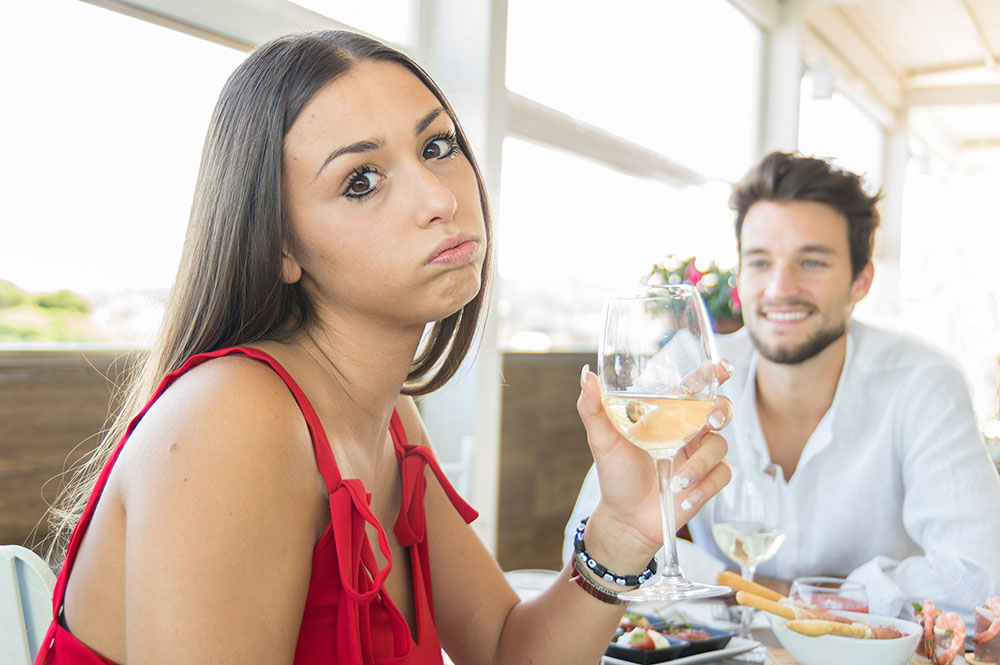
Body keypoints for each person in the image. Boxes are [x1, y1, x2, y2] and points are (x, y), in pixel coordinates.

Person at [34, 30, 733, 665]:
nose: (439, 199)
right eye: (360, 181)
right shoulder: (230, 419)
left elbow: (503, 652)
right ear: (279, 247)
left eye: (437, 147)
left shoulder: (391, 417)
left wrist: (619, 534)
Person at [566, 151, 1000, 625]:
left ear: (860, 281)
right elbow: (581, 555)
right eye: (760, 262)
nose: (779, 288)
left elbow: (979, 578)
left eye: (811, 262)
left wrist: (773, 596)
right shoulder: (685, 372)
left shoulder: (923, 384)